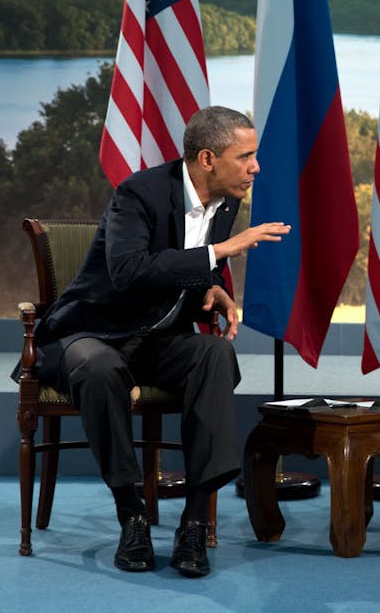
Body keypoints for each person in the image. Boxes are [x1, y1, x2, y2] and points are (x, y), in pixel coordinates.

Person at [26, 106, 290, 578]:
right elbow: (128, 273)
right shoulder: (138, 194)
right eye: (246, 156)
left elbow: (185, 270)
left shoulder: (226, 201)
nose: (256, 168)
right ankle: (132, 516)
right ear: (207, 158)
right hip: (94, 332)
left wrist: (210, 287)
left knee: (214, 354)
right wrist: (220, 252)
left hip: (159, 339)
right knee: (98, 367)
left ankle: (193, 521)